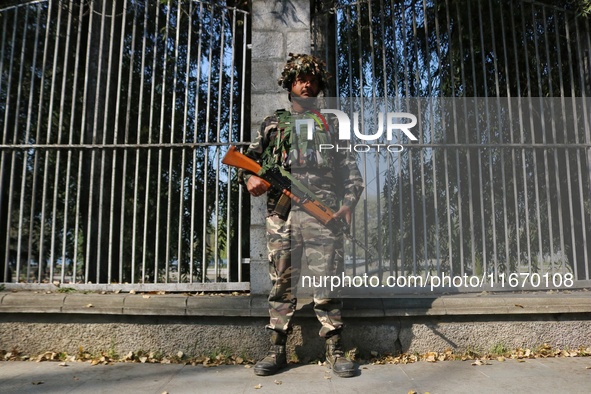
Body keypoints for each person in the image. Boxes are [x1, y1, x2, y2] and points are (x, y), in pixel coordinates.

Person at [239, 53, 364, 377]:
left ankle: (335, 350)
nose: (305, 84)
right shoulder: (271, 124)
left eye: (311, 79)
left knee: (328, 282)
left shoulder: (332, 125)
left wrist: (347, 205)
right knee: (281, 283)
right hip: (281, 218)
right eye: (299, 79)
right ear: (290, 85)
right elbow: (244, 161)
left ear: (319, 85)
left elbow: (351, 174)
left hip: (322, 215)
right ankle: (276, 349)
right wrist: (249, 178)